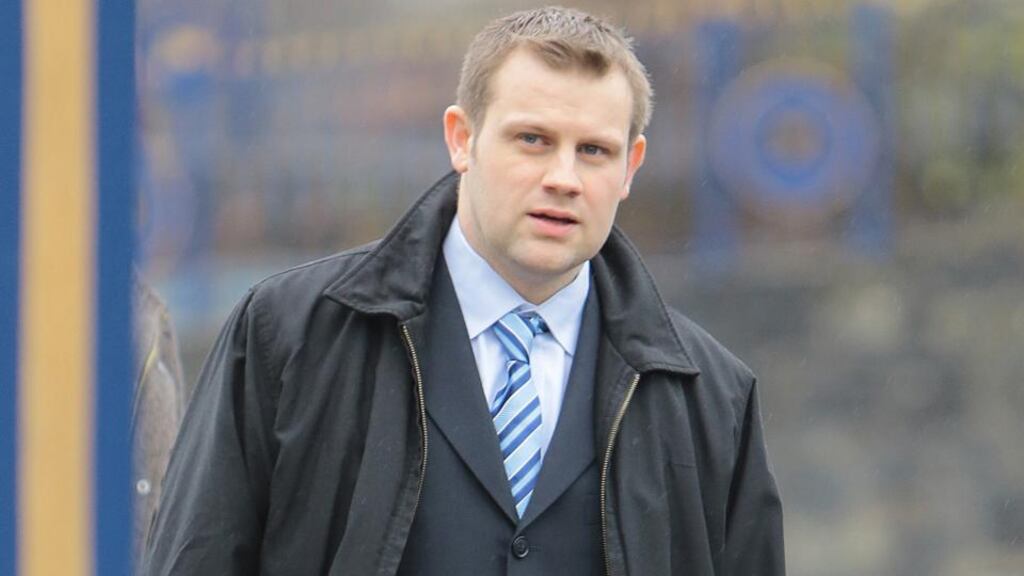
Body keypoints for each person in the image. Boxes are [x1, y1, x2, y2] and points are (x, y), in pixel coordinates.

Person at [143, 6, 785, 575]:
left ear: (630, 168)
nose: (563, 177)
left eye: (593, 151)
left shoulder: (713, 399)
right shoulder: (287, 337)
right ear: (462, 138)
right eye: (532, 139)